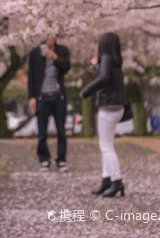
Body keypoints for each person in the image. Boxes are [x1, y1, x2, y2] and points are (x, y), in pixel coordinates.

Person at [80, 32, 127, 198]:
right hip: (118, 107)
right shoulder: (116, 59)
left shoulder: (106, 56)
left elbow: (104, 77)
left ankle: (116, 181)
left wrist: (86, 91)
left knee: (106, 146)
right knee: (107, 144)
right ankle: (106, 179)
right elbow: (106, 74)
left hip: (108, 107)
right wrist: (96, 66)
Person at [28, 34, 71, 172]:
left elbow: (66, 68)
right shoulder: (35, 53)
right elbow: (31, 76)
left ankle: (61, 160)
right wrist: (32, 97)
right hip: (42, 97)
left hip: (58, 96)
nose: (51, 38)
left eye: (53, 35)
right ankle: (44, 159)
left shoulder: (62, 50)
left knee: (61, 131)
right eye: (47, 35)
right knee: (42, 132)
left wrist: (54, 57)